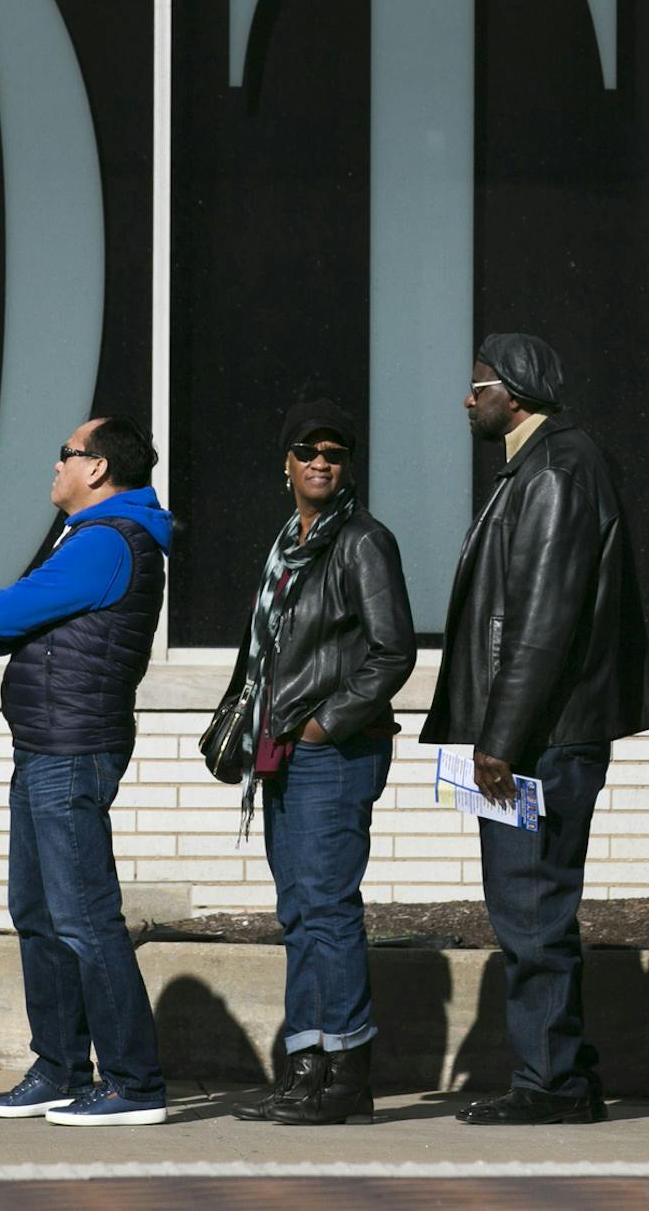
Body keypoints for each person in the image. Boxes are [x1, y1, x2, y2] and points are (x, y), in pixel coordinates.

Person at [424, 333, 649, 1126]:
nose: (468, 398)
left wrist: (500, 738)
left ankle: (550, 1084)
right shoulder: (539, 465)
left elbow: (542, 623)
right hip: (536, 733)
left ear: (515, 390)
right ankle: (566, 1071)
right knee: (533, 906)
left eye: (478, 384)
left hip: (539, 741)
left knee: (529, 910)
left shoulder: (556, 470)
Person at [0, 416, 173, 1127]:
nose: (55, 467)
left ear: (99, 469)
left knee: (83, 918)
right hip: (46, 745)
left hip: (73, 751)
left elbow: (10, 606)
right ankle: (57, 1069)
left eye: (65, 456)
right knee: (39, 915)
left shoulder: (110, 541)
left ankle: (133, 1083)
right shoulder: (88, 538)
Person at [223, 395, 414, 1127]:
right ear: (287, 464)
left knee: (328, 910)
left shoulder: (362, 541)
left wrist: (325, 725)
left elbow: (393, 649)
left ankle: (343, 1077)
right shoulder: (289, 543)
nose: (321, 464)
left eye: (334, 455)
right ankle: (305, 1068)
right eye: (308, 453)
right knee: (300, 910)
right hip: (283, 751)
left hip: (332, 752)